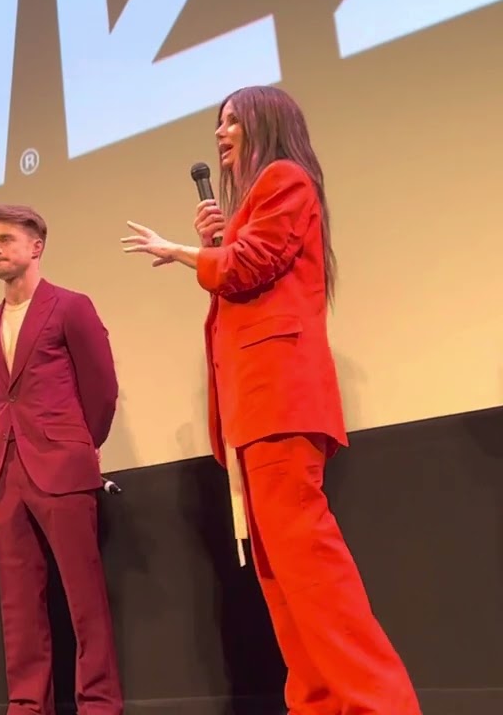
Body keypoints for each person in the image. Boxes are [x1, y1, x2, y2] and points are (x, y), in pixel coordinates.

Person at [120, 84, 422, 714]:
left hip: (280, 399)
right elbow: (246, 267)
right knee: (280, 571)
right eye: (218, 123)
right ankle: (318, 702)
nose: (220, 133)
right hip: (254, 408)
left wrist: (186, 252)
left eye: (232, 121)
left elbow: (248, 266)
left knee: (309, 567)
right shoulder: (256, 204)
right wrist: (221, 242)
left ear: (265, 124)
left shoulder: (285, 178)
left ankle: (379, 703)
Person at [0, 205, 122, 715]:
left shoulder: (71, 306)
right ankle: (27, 705)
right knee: (18, 604)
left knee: (84, 597)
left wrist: (79, 445)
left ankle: (99, 703)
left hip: (62, 464)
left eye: (5, 239)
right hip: (5, 472)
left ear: (36, 246)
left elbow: (102, 388)